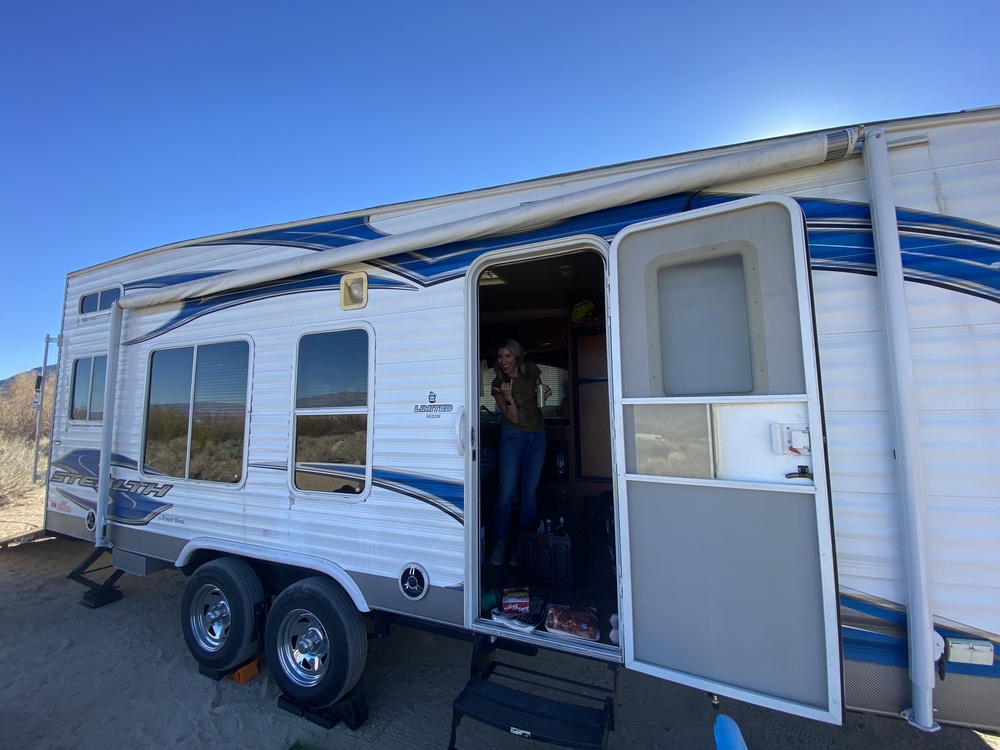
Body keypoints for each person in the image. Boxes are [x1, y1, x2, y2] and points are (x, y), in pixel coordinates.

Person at [488, 338, 550, 566]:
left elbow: (540, 397)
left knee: (529, 493)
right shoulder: (498, 384)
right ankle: (500, 542)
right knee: (506, 493)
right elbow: (512, 418)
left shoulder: (531, 369)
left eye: (508, 356)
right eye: (500, 357)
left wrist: (545, 392)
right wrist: (508, 398)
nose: (503, 361)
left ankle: (525, 544)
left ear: (516, 356)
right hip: (512, 439)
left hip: (538, 437)